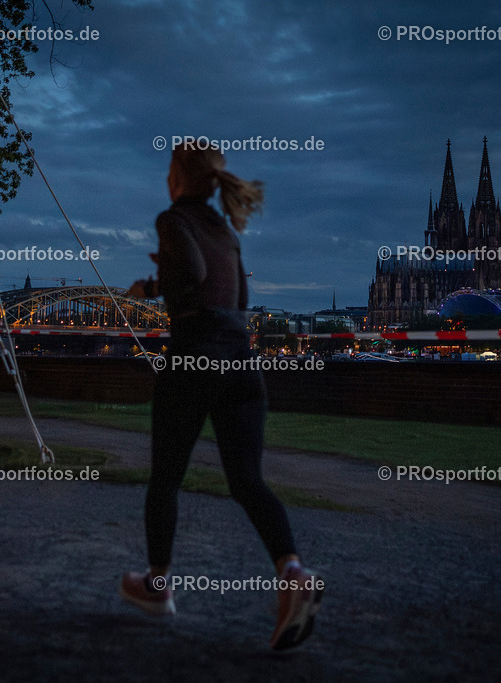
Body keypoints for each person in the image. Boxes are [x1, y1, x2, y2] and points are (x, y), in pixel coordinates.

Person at [120, 143, 323, 650]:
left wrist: (150, 287)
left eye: (168, 169)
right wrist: (170, 273)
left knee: (166, 478)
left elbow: (189, 274)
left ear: (179, 179)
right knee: (248, 482)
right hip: (241, 363)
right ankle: (293, 573)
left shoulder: (173, 219)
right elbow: (240, 301)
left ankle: (157, 587)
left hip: (194, 357)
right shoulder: (227, 232)